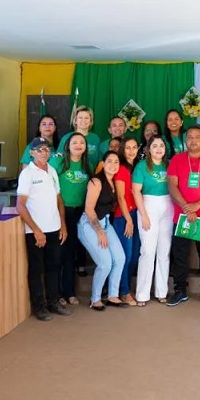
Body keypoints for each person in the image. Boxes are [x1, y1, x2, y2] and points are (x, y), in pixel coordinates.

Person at [16, 137, 71, 321]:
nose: (43, 152)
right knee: (36, 269)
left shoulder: (52, 170)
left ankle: (53, 301)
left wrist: (62, 224)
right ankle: (39, 306)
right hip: (36, 231)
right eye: (39, 149)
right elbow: (20, 206)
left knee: (54, 267)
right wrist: (36, 230)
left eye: (46, 149)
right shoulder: (27, 174)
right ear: (31, 153)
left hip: (54, 228)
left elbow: (58, 200)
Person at [166, 126, 200, 306]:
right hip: (181, 216)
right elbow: (172, 186)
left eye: (197, 137)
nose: (193, 140)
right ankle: (180, 290)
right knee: (180, 255)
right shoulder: (177, 160)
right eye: (189, 137)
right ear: (185, 140)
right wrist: (185, 207)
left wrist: (197, 206)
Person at [78, 151, 129, 311]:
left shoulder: (113, 182)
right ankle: (95, 299)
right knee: (105, 263)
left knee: (120, 258)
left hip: (106, 222)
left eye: (116, 162)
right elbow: (89, 209)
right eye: (109, 161)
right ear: (103, 163)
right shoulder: (96, 181)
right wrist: (100, 232)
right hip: (90, 225)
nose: (113, 165)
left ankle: (113, 295)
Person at [49, 132, 91, 307]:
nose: (78, 145)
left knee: (70, 255)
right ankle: (56, 293)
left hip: (78, 213)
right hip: (59, 212)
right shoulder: (57, 162)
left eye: (82, 142)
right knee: (58, 254)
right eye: (75, 142)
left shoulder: (87, 164)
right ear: (67, 145)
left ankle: (69, 292)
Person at [131, 136, 173, 305]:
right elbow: (136, 191)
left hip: (168, 206)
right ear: (148, 149)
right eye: (154, 146)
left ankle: (162, 291)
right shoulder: (142, 167)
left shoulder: (169, 165)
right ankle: (142, 294)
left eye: (161, 145)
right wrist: (144, 215)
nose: (158, 149)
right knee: (148, 251)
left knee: (164, 251)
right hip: (148, 206)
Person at [112, 137, 141, 306]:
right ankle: (123, 291)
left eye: (134, 147)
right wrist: (129, 220)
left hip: (136, 213)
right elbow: (121, 197)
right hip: (124, 216)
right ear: (123, 150)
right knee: (125, 256)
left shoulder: (138, 167)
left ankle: (126, 288)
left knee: (135, 255)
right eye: (127, 148)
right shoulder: (121, 169)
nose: (131, 151)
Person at [57, 105, 101, 170]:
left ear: (91, 121)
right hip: (71, 176)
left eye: (86, 118)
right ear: (75, 120)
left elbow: (99, 160)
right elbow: (59, 157)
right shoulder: (66, 138)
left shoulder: (95, 138)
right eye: (80, 118)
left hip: (91, 174)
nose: (83, 120)